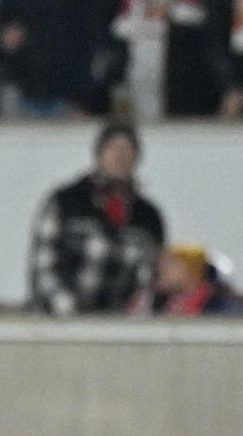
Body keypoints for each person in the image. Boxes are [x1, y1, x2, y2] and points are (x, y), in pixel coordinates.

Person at [30, 121, 167, 314]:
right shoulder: (65, 201)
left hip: (119, 323)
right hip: (60, 319)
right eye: (113, 148)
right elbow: (42, 267)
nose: (120, 156)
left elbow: (151, 278)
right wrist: (69, 313)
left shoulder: (148, 216)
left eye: (127, 150)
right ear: (98, 153)